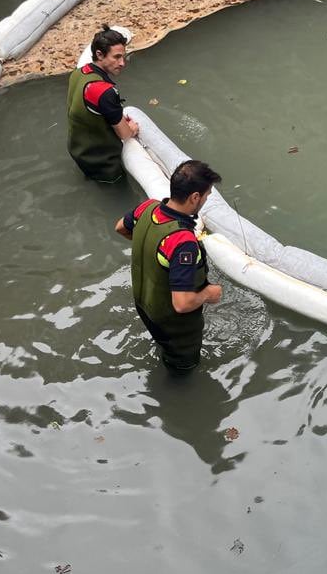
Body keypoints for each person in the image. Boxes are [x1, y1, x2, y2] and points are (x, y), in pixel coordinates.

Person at [115, 160, 223, 371]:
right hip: (174, 327)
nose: (206, 199)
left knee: (163, 345)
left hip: (144, 306)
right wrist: (208, 294)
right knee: (184, 368)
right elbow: (182, 304)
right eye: (207, 195)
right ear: (195, 197)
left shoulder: (147, 207)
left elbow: (120, 227)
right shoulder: (183, 243)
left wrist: (152, 251)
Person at [67, 25, 139, 183]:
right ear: (99, 54)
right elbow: (125, 134)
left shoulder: (79, 73)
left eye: (123, 57)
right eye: (116, 57)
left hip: (79, 151)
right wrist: (132, 129)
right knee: (117, 188)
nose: (122, 63)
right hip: (104, 163)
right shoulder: (105, 92)